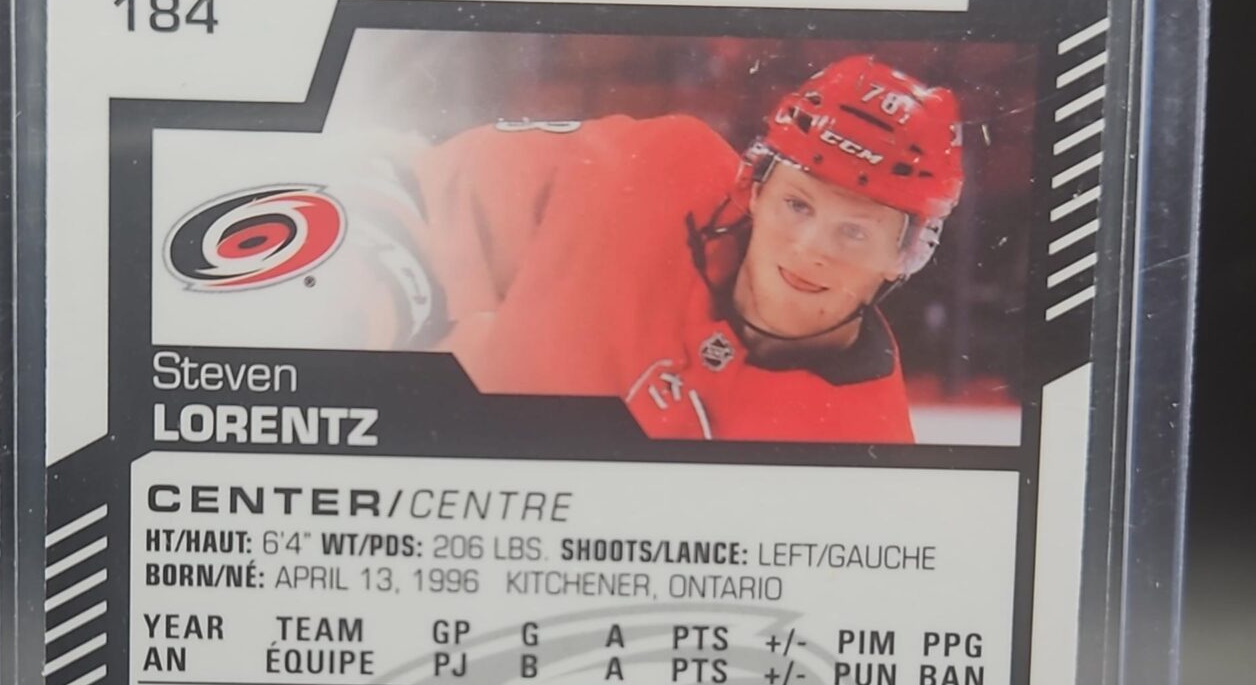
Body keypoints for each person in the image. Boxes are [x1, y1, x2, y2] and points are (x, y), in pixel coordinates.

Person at [397, 55, 964, 443]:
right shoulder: (662, 166)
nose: (809, 248)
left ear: (904, 256)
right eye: (797, 205)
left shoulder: (867, 444)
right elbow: (417, 188)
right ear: (755, 188)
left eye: (855, 231)